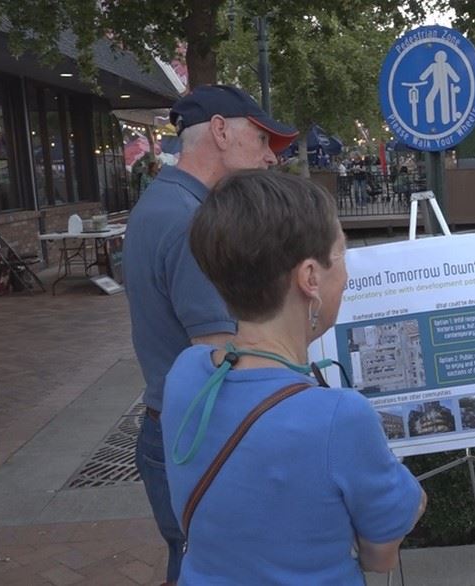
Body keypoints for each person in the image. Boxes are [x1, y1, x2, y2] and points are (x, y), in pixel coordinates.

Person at [162, 170, 426, 583]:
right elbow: (380, 557)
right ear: (310, 278)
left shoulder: (185, 373)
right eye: (341, 255)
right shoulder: (339, 418)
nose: (348, 274)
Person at [123, 84, 298, 586]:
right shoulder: (191, 222)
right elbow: (219, 359)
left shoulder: (163, 201)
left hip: (169, 423)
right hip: (195, 432)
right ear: (220, 130)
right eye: (263, 140)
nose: (270, 157)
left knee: (191, 557)